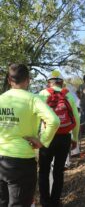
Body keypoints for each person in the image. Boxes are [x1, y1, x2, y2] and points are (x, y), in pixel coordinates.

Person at [0, 64, 60, 207]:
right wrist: (42, 141)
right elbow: (54, 120)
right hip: (21, 161)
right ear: (28, 80)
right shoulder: (32, 99)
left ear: (9, 80)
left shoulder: (1, 99)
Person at [39, 70, 80, 207]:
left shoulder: (43, 94)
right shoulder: (68, 95)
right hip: (64, 137)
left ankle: (45, 202)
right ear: (61, 82)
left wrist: (36, 138)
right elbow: (76, 119)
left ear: (49, 82)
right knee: (58, 171)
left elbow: (35, 118)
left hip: (47, 138)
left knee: (44, 171)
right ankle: (55, 202)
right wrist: (74, 138)